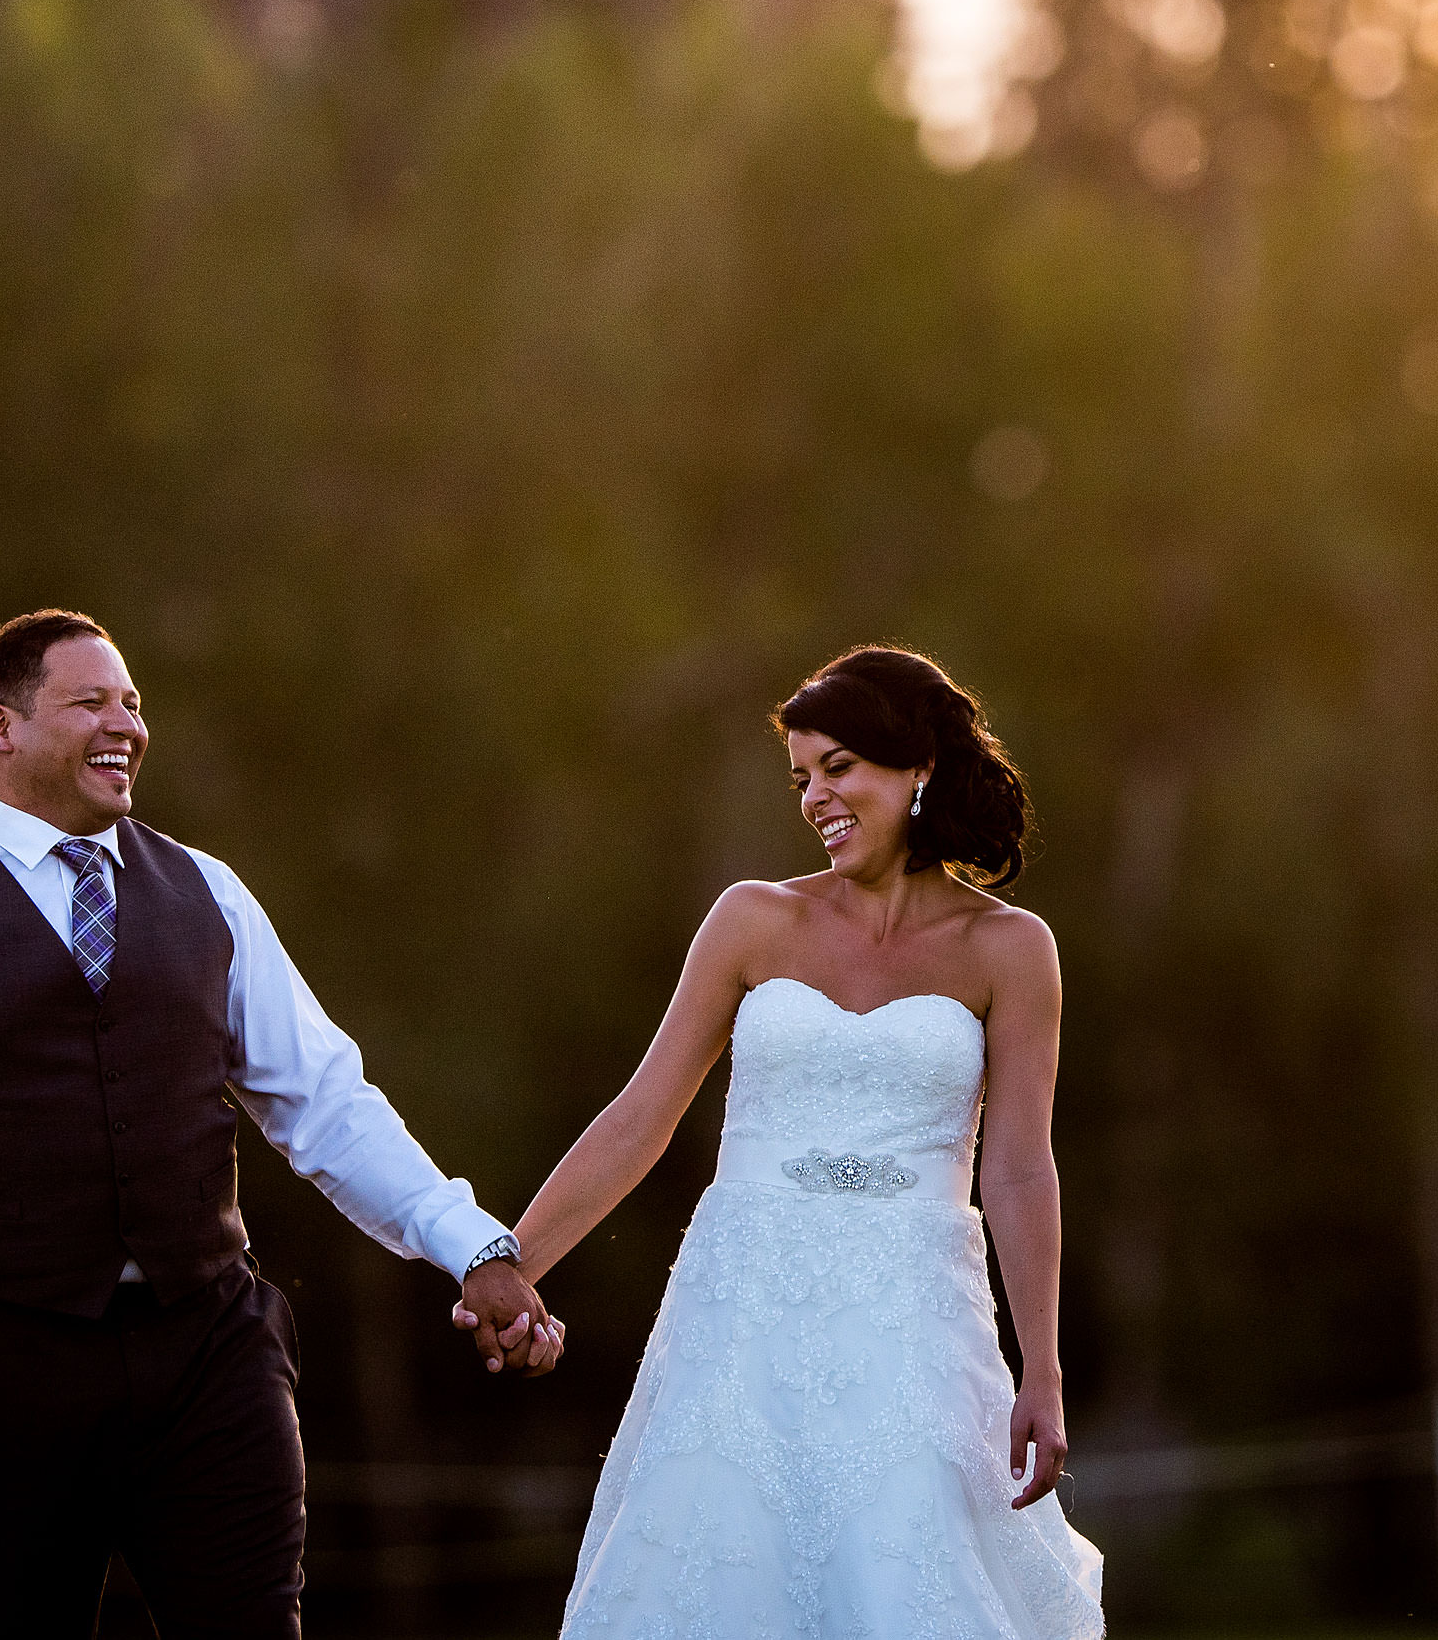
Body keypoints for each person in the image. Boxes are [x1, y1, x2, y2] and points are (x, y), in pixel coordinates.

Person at [0, 608, 563, 1638]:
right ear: (0, 727)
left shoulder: (210, 893)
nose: (127, 723)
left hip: (208, 1356)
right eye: (91, 701)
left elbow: (325, 1105)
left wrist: (475, 1246)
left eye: (134, 702)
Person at [456, 644, 1104, 1635]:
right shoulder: (751, 919)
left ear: (917, 763)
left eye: (838, 766)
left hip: (915, 1321)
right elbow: (642, 1114)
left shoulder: (1011, 949)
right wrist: (506, 1264)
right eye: (801, 775)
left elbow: (1018, 1165)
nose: (814, 796)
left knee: (906, 1580)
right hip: (742, 1314)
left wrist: (1043, 1372)